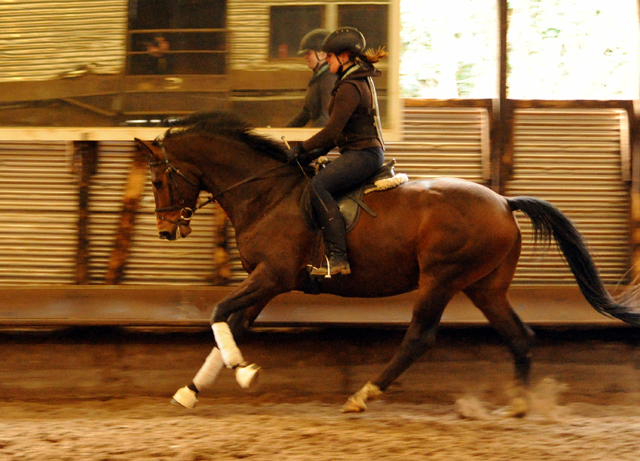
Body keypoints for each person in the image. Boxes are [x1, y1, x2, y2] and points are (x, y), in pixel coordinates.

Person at [286, 26, 387, 278]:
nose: (327, 59)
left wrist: (301, 148)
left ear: (344, 57)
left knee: (318, 187)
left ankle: (337, 257)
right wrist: (307, 155)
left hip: (364, 155)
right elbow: (339, 135)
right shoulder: (352, 81)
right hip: (358, 151)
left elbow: (331, 131)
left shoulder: (350, 87)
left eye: (329, 55)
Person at [286, 29, 337, 127]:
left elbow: (327, 117)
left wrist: (310, 140)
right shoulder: (318, 77)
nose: (305, 57)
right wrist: (282, 133)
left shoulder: (330, 78)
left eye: (308, 53)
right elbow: (305, 114)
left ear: (322, 54)